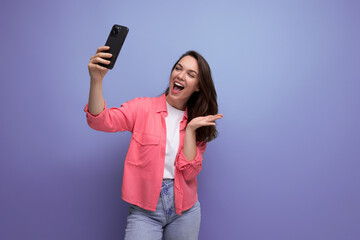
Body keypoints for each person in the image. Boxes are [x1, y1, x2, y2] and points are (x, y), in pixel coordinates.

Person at [84, 46, 223, 240]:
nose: (181, 75)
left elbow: (190, 172)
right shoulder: (143, 108)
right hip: (145, 209)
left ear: (198, 86)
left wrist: (191, 130)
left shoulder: (197, 122)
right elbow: (99, 120)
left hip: (185, 210)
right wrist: (96, 80)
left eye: (190, 74)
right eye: (178, 68)